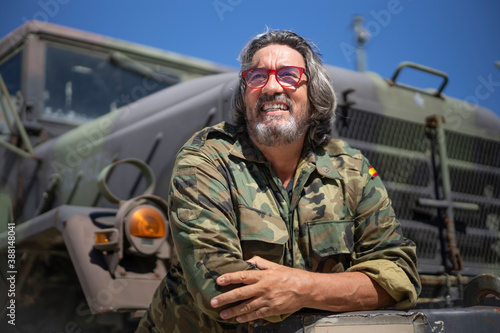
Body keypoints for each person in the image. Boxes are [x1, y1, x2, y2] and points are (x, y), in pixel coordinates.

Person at [137, 29, 420, 332]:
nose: (271, 87)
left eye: (289, 75)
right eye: (257, 77)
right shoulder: (205, 160)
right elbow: (220, 289)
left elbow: (399, 277)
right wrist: (346, 291)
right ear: (244, 96)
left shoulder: (352, 170)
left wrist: (301, 288)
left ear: (313, 96)